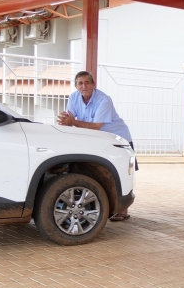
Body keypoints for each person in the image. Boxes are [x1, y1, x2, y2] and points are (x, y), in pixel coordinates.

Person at [57, 71, 135, 221]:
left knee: (121, 173)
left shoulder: (104, 100)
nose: (84, 86)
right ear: (76, 86)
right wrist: (65, 122)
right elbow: (68, 120)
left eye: (87, 82)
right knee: (96, 171)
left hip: (118, 139)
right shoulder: (73, 97)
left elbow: (96, 126)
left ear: (93, 84)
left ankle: (122, 210)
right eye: (80, 83)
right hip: (97, 139)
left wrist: (71, 122)